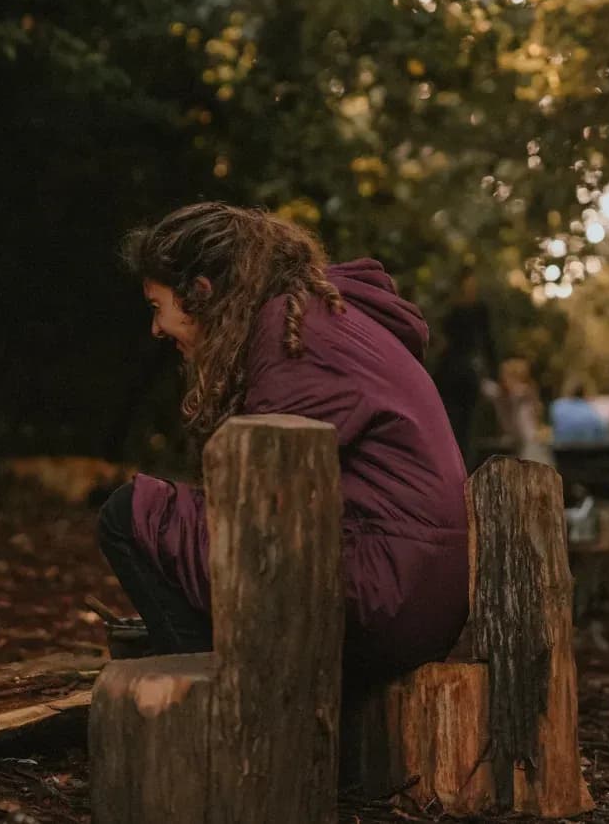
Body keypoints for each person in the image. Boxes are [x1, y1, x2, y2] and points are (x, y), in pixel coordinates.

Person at [97, 203, 469, 684]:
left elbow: (263, 504)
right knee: (180, 521)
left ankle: (212, 704)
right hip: (410, 587)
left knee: (130, 514)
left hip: (385, 595)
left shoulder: (291, 335)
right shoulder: (318, 315)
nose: (155, 329)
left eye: (157, 307)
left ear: (201, 292)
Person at [435, 268, 497, 460]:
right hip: (453, 373)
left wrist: (493, 373)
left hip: (464, 374)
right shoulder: (454, 310)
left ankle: (463, 467)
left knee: (466, 428)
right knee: (455, 425)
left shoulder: (477, 310)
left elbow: (487, 343)